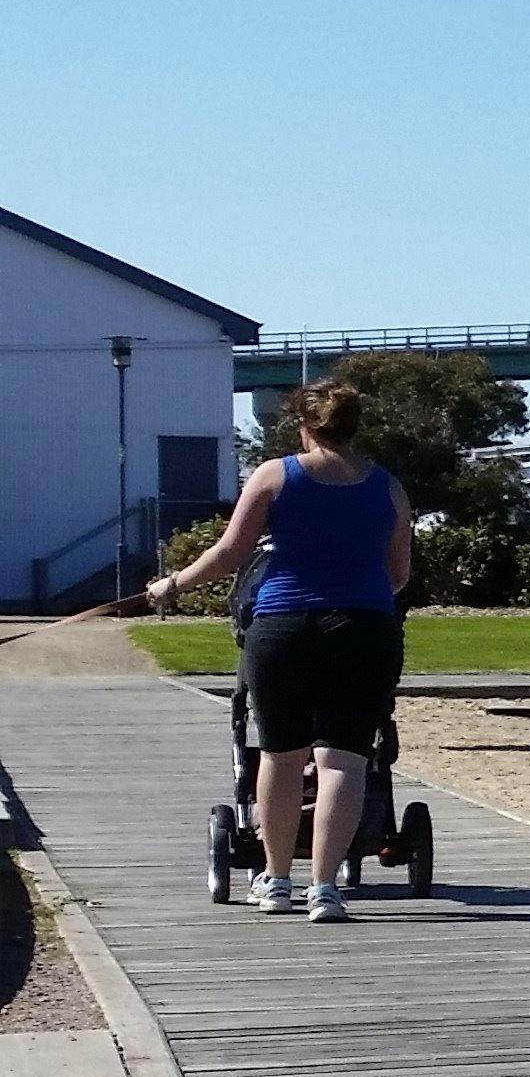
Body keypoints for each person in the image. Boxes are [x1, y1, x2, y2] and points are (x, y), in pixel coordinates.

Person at [148, 385, 412, 920]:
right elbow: (399, 574)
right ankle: (326, 889)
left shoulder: (275, 475)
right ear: (353, 427)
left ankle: (277, 880)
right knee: (343, 760)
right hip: (363, 629)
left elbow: (229, 553)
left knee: (281, 755)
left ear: (305, 427)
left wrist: (171, 585)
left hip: (284, 629)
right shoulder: (389, 489)